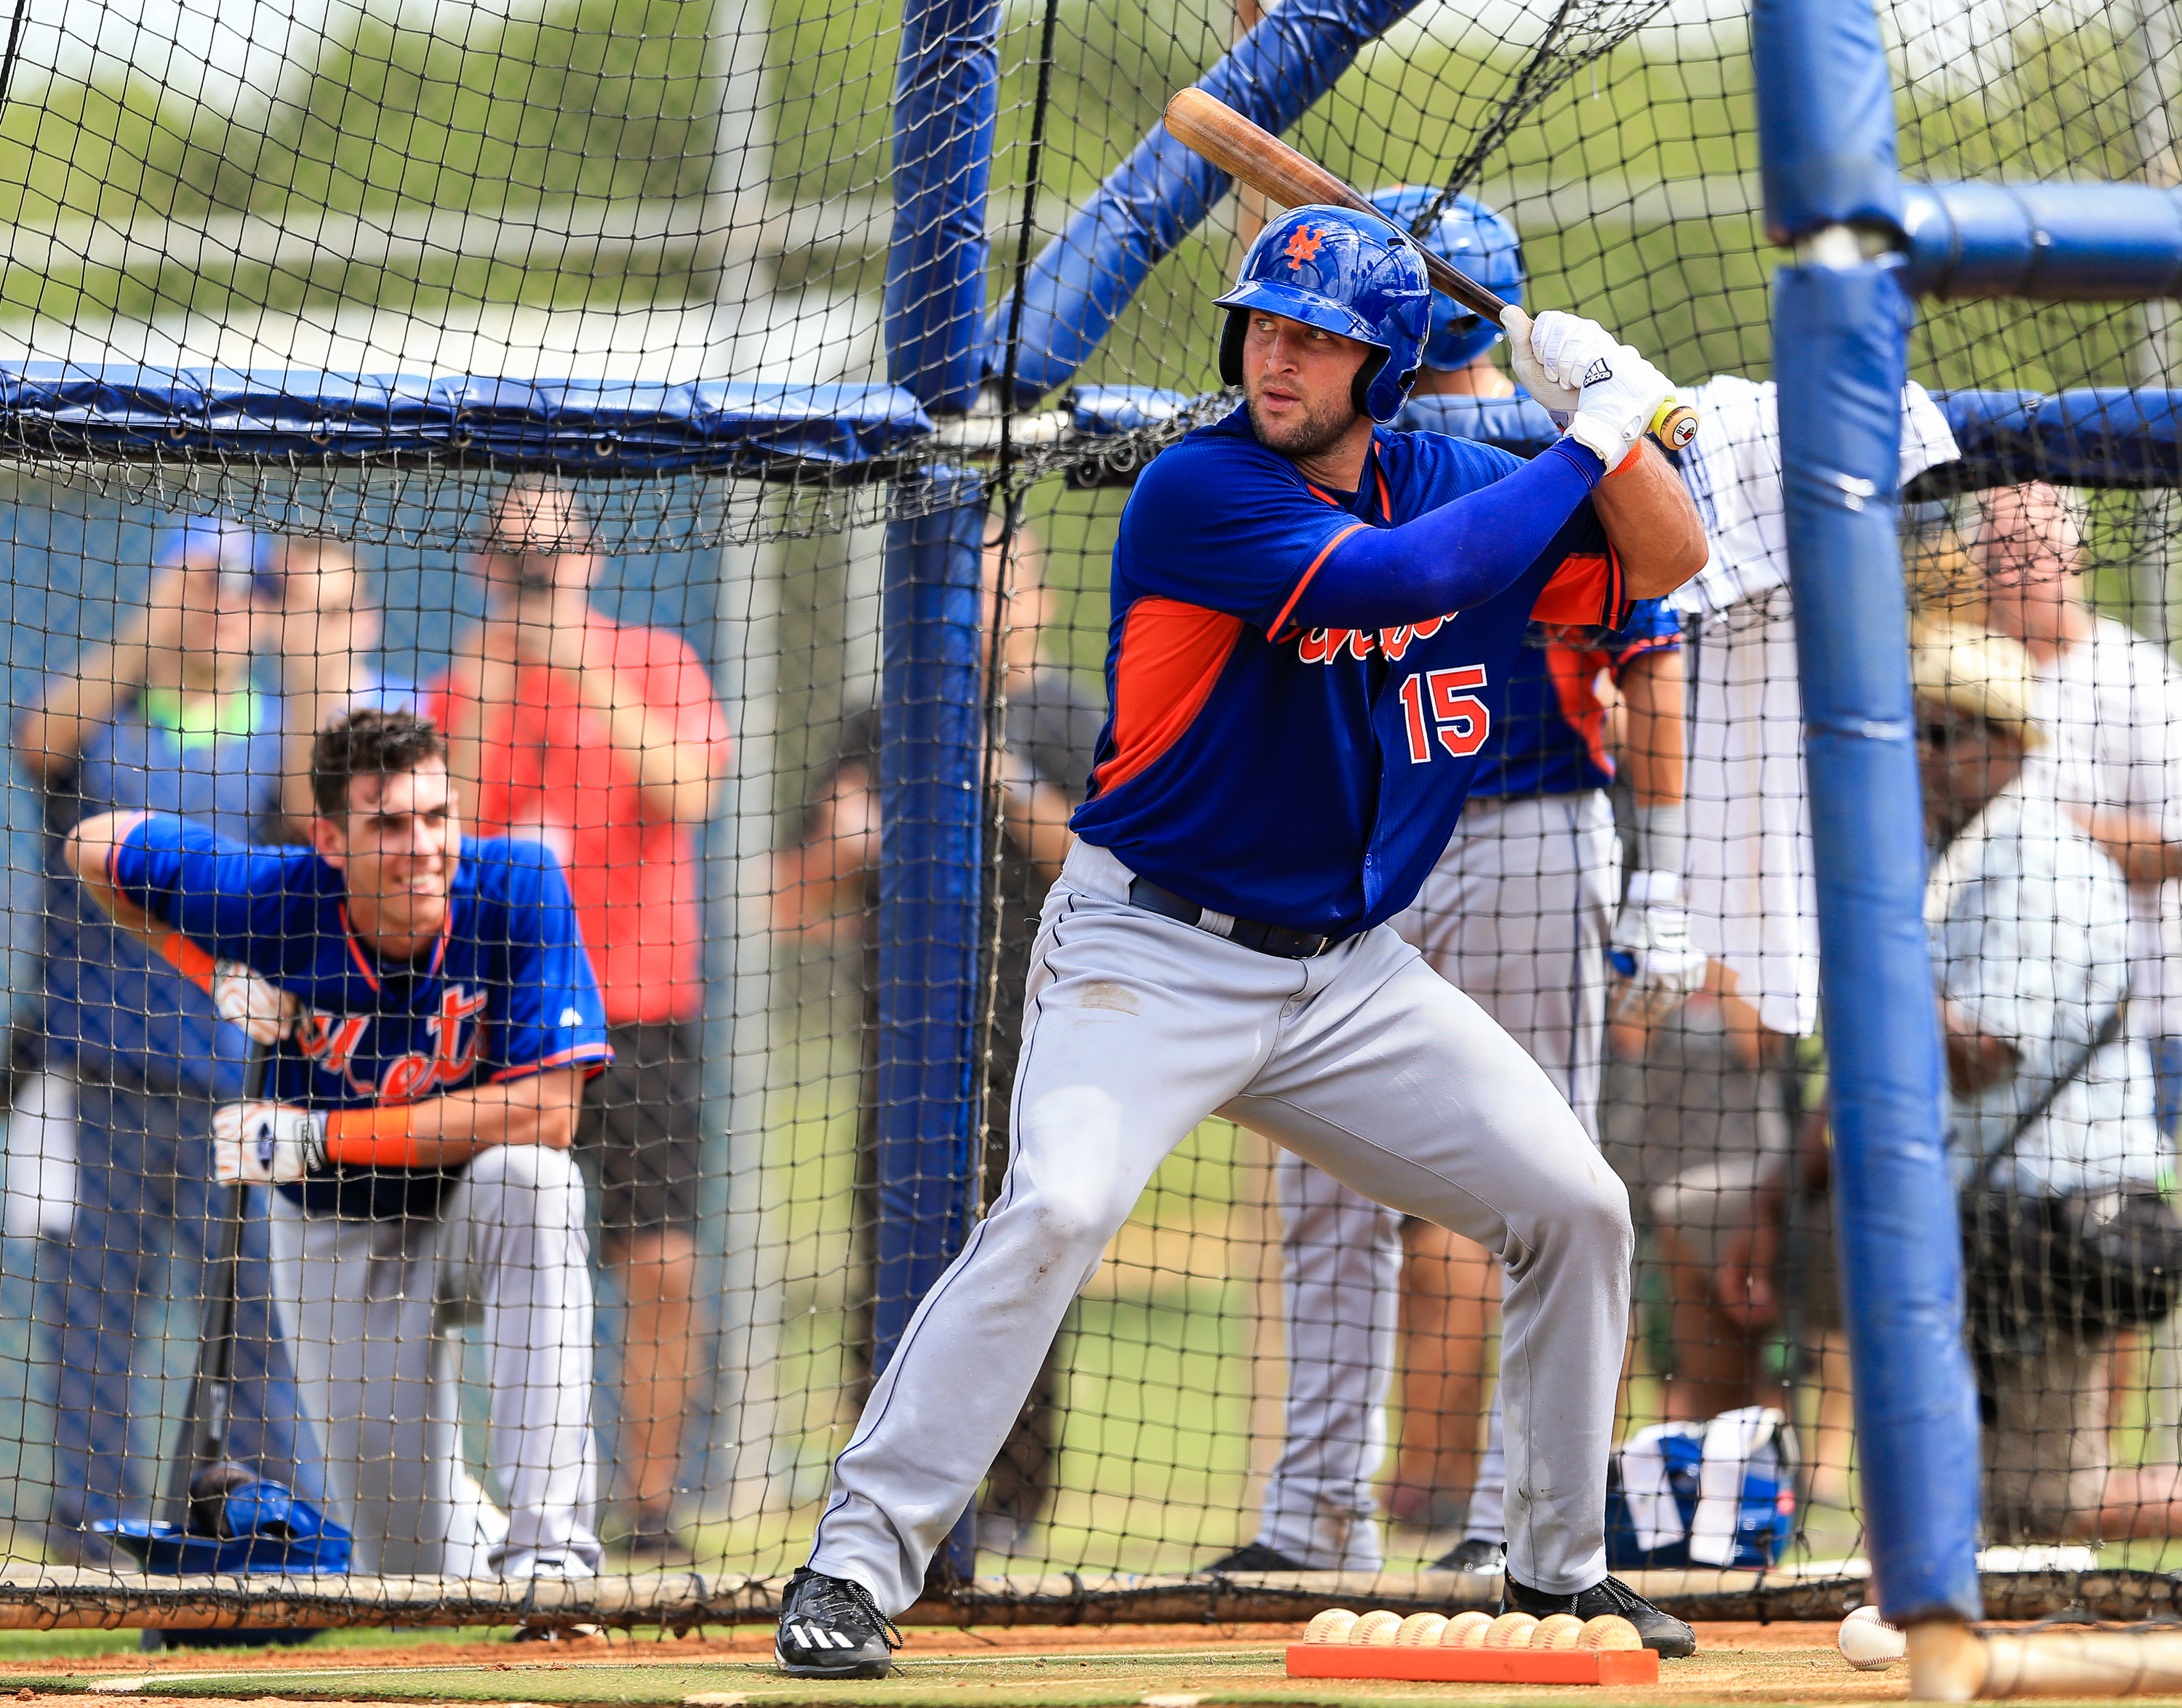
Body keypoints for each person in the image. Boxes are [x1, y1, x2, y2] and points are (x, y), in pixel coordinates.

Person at [772, 201, 1708, 1677]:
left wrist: (1623, 416)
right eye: (1268, 323)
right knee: (1060, 1210)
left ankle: (1558, 1570)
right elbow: (1403, 584)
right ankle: (854, 1563)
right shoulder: (1200, 490)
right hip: (1148, 950)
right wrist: (1587, 443)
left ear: (1385, 367)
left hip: (1346, 973)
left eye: (1321, 335)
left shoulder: (1454, 472)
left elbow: (1668, 558)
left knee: (1578, 1207)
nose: (1280, 355)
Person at [1205, 188, 1701, 1576]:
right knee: (1322, 1197)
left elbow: (1652, 646)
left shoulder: (1538, 469)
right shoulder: (1332, 460)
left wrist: (1656, 879)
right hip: (1355, 851)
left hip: (1532, 823)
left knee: (1542, 1175)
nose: (1455, 387)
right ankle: (1311, 1517)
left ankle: (1512, 1520)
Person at [60, 708, 612, 1580]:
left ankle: (549, 1556)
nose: (423, 844)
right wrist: (217, 972)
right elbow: (91, 846)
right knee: (413, 1566)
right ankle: (472, 1530)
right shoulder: (268, 894)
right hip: (341, 1231)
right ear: (329, 837)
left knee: (538, 1179)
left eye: (437, 815)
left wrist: (319, 1135)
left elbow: (548, 1112)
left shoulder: (517, 884)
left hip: (472, 1203)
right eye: (388, 823)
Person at [15, 519, 356, 1563]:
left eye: (238, 590)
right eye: (200, 585)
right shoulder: (112, 717)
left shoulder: (278, 730)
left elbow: (311, 818)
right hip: (99, 1074)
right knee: (91, 1326)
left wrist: (302, 662)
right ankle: (88, 1542)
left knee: (257, 1328)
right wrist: (152, 623)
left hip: (240, 1087)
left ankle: (249, 1529)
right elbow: (37, 743)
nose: (220, 605)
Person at [775, 525, 1098, 1558]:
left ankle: (1010, 1501)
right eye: (971, 590)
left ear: (1038, 600)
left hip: (1043, 1041)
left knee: (1029, 1258)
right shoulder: (884, 719)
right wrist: (847, 841)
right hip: (908, 1043)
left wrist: (991, 771)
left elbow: (1097, 871)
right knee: (893, 1266)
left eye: (1007, 588)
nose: (990, 610)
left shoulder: (1070, 715)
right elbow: (798, 899)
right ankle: (883, 1492)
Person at [431, 479, 733, 1559]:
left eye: (552, 560)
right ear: (483, 573)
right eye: (516, 562)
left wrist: (579, 666)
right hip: (504, 1025)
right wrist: (494, 688)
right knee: (476, 1266)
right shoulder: (462, 685)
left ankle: (648, 1509)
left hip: (640, 1008)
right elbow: (444, 842)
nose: (535, 579)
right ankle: (483, 1500)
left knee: (660, 1268)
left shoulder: (652, 660)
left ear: (591, 563)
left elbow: (690, 790)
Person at [1975, 483, 2182, 1137]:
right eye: (1996, 557)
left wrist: (2039, 827)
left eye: (2031, 553)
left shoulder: (2139, 679)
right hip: (2003, 1018)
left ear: (2076, 559)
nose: (2013, 575)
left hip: (2146, 1020)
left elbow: (2177, 847)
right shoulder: (1964, 678)